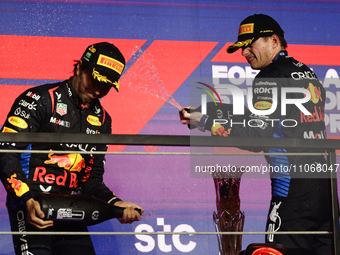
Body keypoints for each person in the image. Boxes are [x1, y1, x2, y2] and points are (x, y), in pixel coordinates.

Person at [180, 14, 331, 255]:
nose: (245, 52)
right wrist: (205, 111)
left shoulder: (269, 77)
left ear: (274, 40)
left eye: (251, 45)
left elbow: (256, 136)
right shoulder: (304, 72)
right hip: (325, 188)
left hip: (291, 191)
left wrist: (207, 122)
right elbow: (264, 117)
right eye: (242, 47)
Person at [0, 42, 144, 255]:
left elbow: (91, 179)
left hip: (73, 208)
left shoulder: (103, 120)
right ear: (79, 68)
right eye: (94, 81)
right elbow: (5, 152)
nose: (97, 90)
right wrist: (27, 199)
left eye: (105, 87)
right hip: (31, 204)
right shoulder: (39, 99)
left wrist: (116, 203)